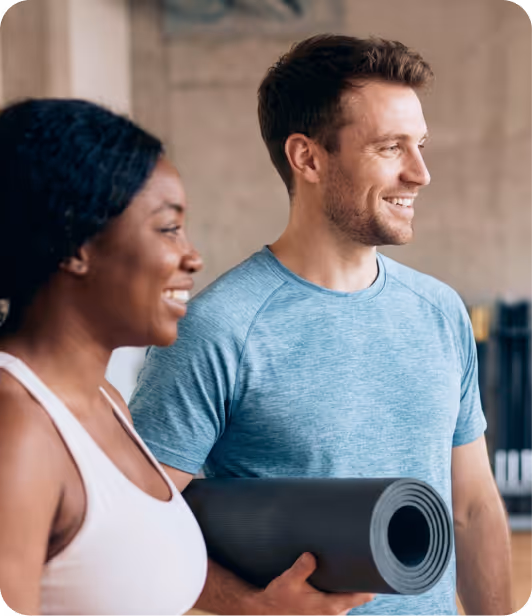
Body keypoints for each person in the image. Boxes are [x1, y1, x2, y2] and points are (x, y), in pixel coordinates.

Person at [129, 35, 513, 616]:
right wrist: (252, 607)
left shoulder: (440, 311)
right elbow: (133, 523)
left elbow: (472, 507)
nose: (421, 173)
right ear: (307, 157)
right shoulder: (218, 328)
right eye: (391, 148)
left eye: (421, 145)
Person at [0, 98, 211, 616]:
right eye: (168, 228)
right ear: (76, 245)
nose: (193, 256)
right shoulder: (17, 429)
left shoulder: (106, 401)